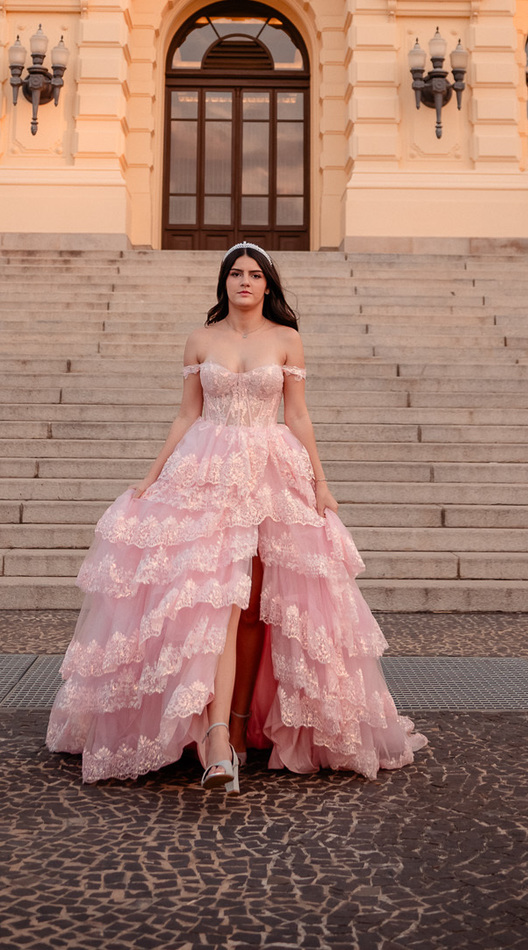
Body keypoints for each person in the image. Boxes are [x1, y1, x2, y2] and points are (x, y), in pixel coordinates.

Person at [46, 243, 427, 787]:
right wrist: (152, 476)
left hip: (271, 472)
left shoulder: (286, 340)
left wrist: (320, 482)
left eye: (253, 275)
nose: (243, 282)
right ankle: (216, 736)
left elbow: (296, 413)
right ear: (223, 282)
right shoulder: (202, 339)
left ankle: (244, 725)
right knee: (217, 602)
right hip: (207, 469)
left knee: (256, 609)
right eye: (235, 274)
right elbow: (186, 413)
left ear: (268, 285)